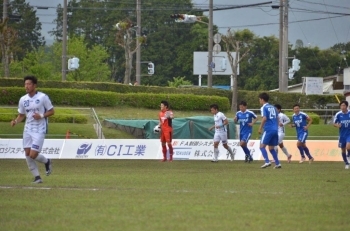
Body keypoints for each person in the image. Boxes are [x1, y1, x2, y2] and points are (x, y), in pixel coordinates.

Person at [10, 76, 54, 183]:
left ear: (34, 85)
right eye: (25, 84)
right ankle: (37, 177)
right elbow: (21, 115)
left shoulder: (43, 97)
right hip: (28, 129)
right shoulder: (23, 99)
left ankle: (47, 161)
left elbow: (52, 111)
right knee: (27, 153)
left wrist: (42, 115)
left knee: (33, 154)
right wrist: (15, 121)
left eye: (29, 84)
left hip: (40, 129)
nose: (26, 86)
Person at [258, 92, 281, 169]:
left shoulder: (264, 107)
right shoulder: (274, 107)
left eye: (260, 99)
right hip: (275, 130)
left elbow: (264, 118)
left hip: (268, 129)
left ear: (262, 99)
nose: (259, 101)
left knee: (262, 146)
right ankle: (277, 163)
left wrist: (260, 128)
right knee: (271, 148)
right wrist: (276, 127)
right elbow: (277, 118)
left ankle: (267, 162)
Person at [333, 100, 350, 169]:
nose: (342, 107)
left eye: (344, 105)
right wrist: (337, 125)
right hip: (342, 134)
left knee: (348, 147)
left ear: (347, 106)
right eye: (341, 106)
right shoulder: (338, 114)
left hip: (349, 133)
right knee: (343, 149)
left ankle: (348, 156)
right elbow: (334, 123)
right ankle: (346, 163)